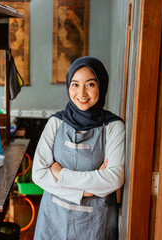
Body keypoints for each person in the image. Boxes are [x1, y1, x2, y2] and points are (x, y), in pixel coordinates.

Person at [32, 56, 125, 240]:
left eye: (90, 84)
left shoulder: (114, 127)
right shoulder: (56, 122)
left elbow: (114, 178)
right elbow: (38, 174)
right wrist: (87, 191)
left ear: (101, 86)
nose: (81, 93)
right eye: (75, 84)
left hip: (95, 224)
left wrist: (61, 174)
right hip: (52, 222)